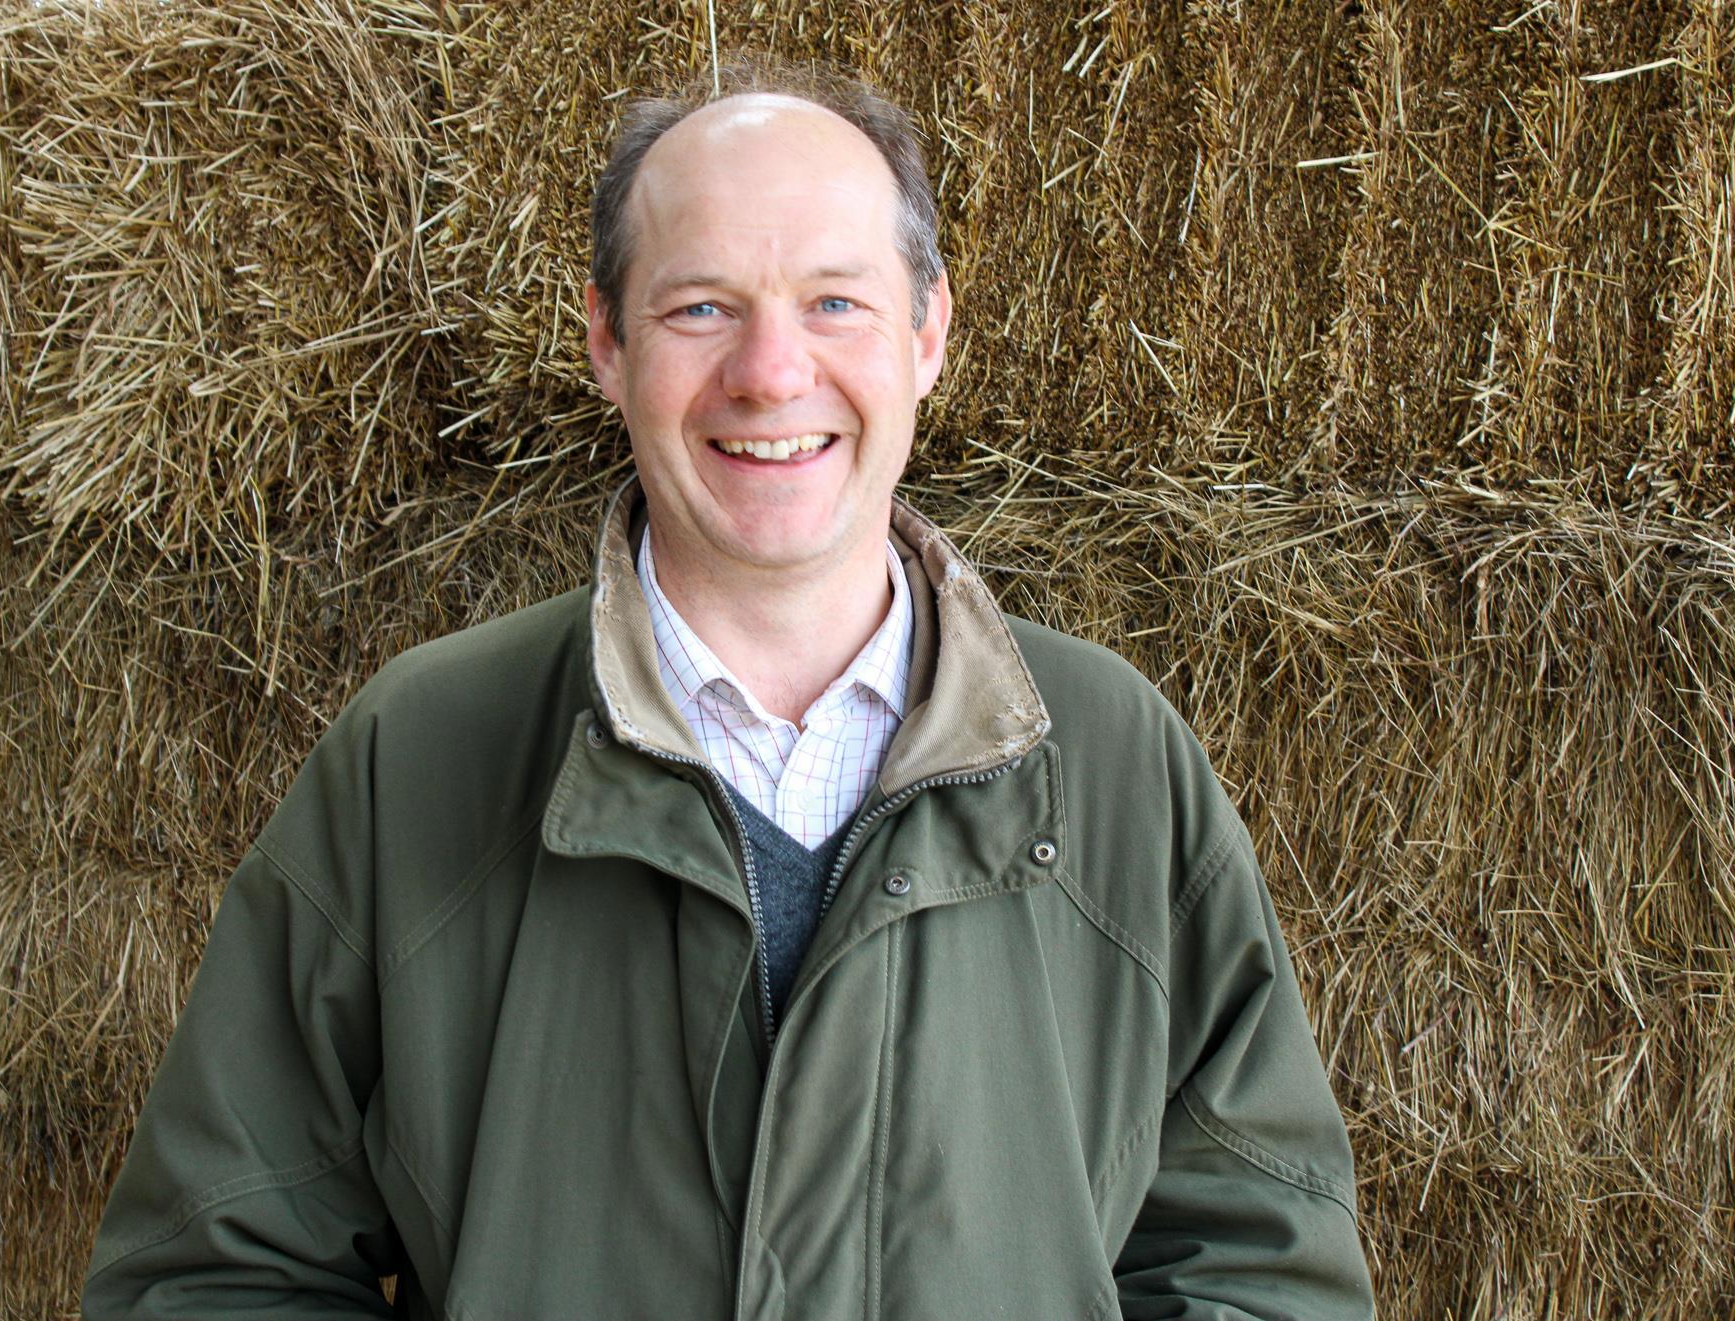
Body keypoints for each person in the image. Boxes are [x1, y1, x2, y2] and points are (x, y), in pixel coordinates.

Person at [83, 59, 1375, 1319]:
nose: (770, 371)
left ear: (927, 333)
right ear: (608, 341)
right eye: (702, 308)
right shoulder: (416, 756)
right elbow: (212, 1272)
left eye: (835, 302)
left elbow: (1260, 1268)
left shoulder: (1114, 759)